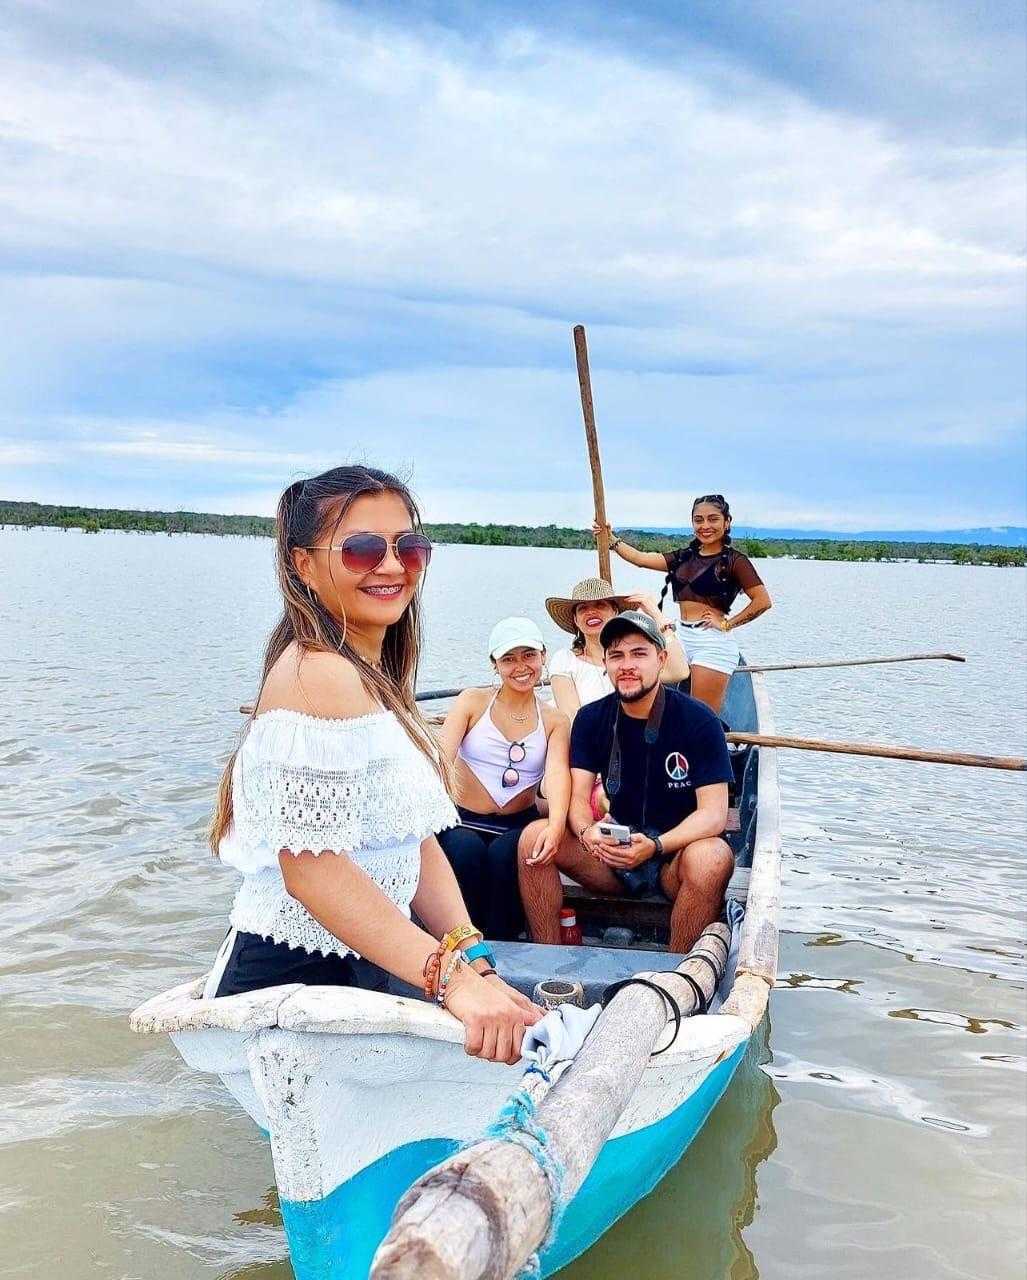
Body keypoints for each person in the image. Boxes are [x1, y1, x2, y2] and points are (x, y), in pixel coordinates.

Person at [207, 465, 540, 1065]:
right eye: (361, 549)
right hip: (293, 980)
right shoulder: (316, 673)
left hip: (372, 959)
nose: (390, 565)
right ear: (303, 564)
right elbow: (312, 872)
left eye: (408, 547)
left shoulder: (370, 676)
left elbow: (413, 841)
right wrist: (452, 980)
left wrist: (471, 958)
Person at [518, 609, 735, 955]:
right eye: (616, 655)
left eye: (639, 653)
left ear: (661, 659)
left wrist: (657, 846)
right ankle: (547, 961)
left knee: (713, 856)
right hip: (613, 853)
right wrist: (588, 832)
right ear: (604, 663)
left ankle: (676, 977)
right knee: (534, 838)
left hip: (674, 858)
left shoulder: (699, 720)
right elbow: (577, 799)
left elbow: (713, 814)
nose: (627, 665)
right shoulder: (592, 719)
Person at [437, 618, 570, 941]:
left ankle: (505, 942)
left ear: (543, 657)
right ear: (494, 665)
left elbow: (556, 774)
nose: (520, 667)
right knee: (467, 853)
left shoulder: (554, 719)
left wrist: (555, 826)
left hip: (515, 823)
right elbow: (440, 758)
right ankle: (463, 942)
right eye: (509, 659)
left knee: (505, 856)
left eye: (529, 656)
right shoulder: (472, 701)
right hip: (463, 819)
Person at [594, 494, 772, 713]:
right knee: (657, 701)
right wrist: (610, 538)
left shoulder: (736, 561)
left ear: (727, 522)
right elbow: (640, 559)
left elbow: (763, 601)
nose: (705, 525)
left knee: (700, 715)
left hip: (711, 642)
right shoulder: (684, 557)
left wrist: (727, 624)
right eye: (699, 520)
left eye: (713, 519)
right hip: (680, 635)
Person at [545, 577, 689, 719]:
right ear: (576, 620)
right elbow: (573, 719)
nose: (591, 612)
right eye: (583, 608)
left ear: (615, 612)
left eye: (600, 605)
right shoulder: (565, 660)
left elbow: (679, 672)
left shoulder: (633, 661)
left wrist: (657, 616)